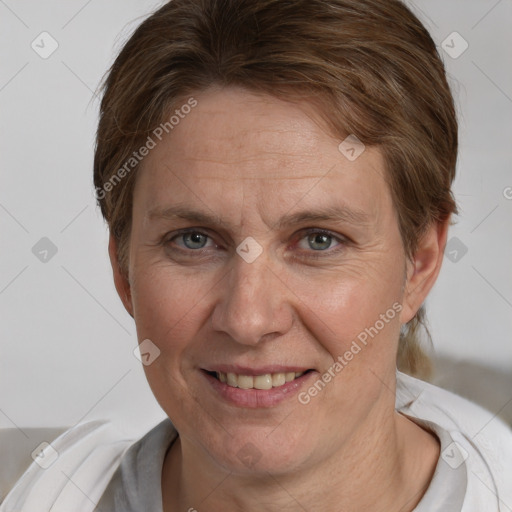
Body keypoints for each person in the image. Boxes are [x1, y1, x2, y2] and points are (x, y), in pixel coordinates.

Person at [2, 0, 511, 510]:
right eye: (194, 240)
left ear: (419, 264)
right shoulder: (43, 492)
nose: (248, 319)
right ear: (123, 269)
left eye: (318, 240)